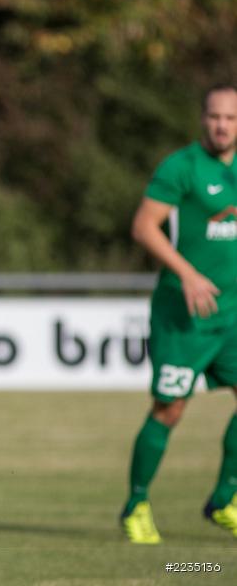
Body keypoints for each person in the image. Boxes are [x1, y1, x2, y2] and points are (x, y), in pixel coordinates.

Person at [122, 83, 237, 543]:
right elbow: (143, 227)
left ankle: (225, 497)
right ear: (202, 118)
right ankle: (136, 504)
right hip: (183, 314)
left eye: (230, 117)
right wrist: (187, 274)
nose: (222, 125)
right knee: (170, 409)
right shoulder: (182, 166)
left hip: (232, 315)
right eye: (214, 116)